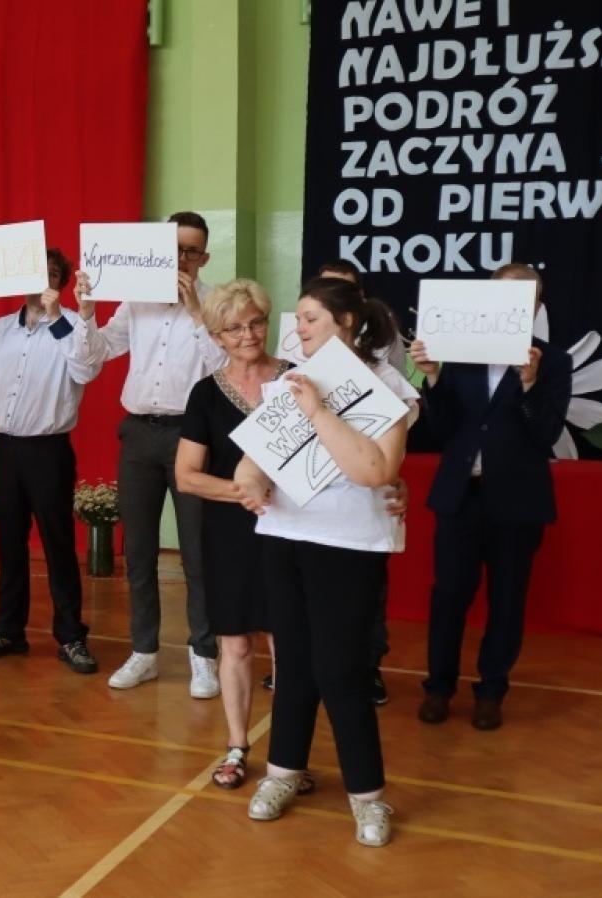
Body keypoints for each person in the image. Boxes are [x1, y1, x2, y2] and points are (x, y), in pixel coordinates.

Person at [233, 276, 417, 848]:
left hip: (350, 545)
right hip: (286, 536)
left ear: (346, 324)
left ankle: (368, 798)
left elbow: (375, 471)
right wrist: (249, 484)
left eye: (310, 318)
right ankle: (282, 773)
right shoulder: (291, 379)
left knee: (342, 672)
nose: (298, 328)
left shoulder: (387, 386)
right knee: (293, 669)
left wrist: (317, 412)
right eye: (298, 318)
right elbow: (252, 464)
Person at [413, 262, 572, 731]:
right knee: (449, 595)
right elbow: (439, 432)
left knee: (507, 598)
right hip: (461, 496)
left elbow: (546, 434)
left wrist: (528, 385)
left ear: (536, 307)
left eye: (525, 299)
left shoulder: (553, 361)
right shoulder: (457, 354)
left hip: (518, 501)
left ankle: (491, 692)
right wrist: (435, 378)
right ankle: (438, 687)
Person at [81, 211, 225, 696]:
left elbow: (225, 372)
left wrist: (197, 317)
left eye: (191, 250)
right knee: (139, 550)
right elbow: (97, 354)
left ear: (204, 257)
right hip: (140, 434)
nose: (182, 258)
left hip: (192, 436)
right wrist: (84, 313)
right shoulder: (136, 299)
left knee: (199, 552)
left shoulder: (215, 303)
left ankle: (204, 654)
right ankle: (144, 651)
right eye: (175, 248)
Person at [0, 252, 101, 675]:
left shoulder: (74, 325)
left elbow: (86, 369)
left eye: (54, 276)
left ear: (62, 283)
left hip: (48, 450)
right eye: (39, 275)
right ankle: (8, 630)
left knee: (57, 543)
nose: (45, 283)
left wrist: (58, 316)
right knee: (8, 542)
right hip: (3, 449)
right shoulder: (0, 329)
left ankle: (72, 635)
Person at [174, 280, 291, 789]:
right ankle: (238, 745)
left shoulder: (297, 382)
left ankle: (289, 755)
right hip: (228, 531)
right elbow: (187, 476)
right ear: (217, 336)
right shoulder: (205, 393)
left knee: (290, 643)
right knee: (237, 645)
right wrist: (240, 493)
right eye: (235, 327)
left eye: (257, 322)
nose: (249, 334)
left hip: (294, 529)